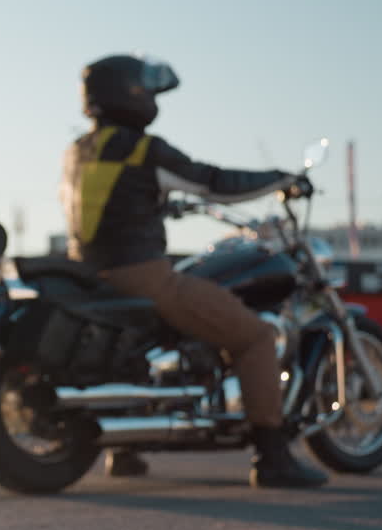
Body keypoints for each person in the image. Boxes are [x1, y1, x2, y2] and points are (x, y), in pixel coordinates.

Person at [59, 54, 328, 490]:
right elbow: (213, 182)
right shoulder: (143, 149)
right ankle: (273, 456)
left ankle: (125, 451)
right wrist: (282, 179)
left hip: (88, 278)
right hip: (142, 275)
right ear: (130, 91)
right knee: (255, 336)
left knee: (152, 345)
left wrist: (160, 202)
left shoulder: (76, 151)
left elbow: (110, 202)